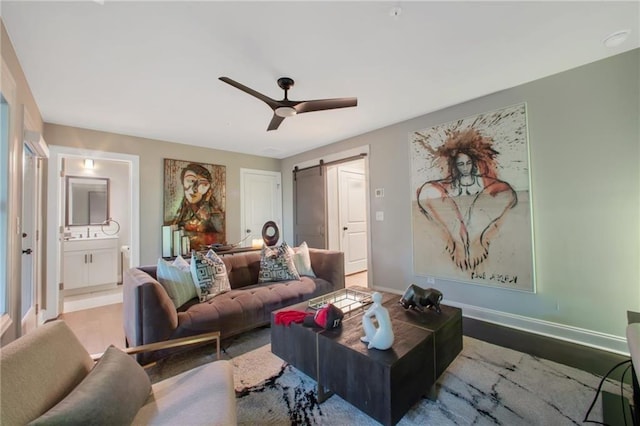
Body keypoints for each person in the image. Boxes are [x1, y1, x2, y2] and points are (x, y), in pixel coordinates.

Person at [416, 128, 517, 272]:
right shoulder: (449, 185)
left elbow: (508, 193)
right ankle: (457, 243)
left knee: (496, 198)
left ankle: (477, 242)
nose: (465, 168)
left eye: (468, 163)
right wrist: (453, 239)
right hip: (455, 228)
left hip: (478, 228)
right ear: (455, 166)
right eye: (461, 164)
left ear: (474, 163)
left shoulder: (484, 183)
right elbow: (427, 193)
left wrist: (481, 237)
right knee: (429, 192)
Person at [172, 163, 224, 250]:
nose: (194, 189)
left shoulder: (215, 215)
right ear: (182, 183)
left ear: (208, 189)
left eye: (202, 183)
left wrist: (206, 202)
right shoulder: (178, 217)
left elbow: (219, 230)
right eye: (191, 181)